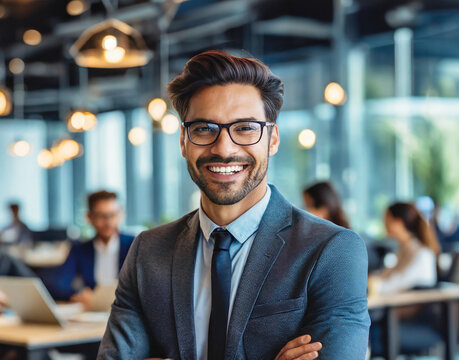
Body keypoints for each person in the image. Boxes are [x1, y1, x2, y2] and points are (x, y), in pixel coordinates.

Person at [98, 50, 370, 359]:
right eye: (203, 128)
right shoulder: (148, 250)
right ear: (184, 142)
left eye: (245, 128)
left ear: (273, 139)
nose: (224, 149)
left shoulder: (332, 250)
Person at [46, 191, 134, 307]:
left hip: (125, 311)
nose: (108, 222)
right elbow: (60, 284)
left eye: (113, 215)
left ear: (121, 215)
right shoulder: (80, 249)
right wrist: (79, 294)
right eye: (101, 216)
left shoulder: (134, 246)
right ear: (89, 217)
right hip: (93, 313)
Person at [369, 202, 441, 294]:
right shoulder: (404, 250)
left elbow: (399, 285)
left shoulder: (423, 254)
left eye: (387, 219)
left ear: (398, 223)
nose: (384, 224)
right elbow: (388, 276)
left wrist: (373, 285)